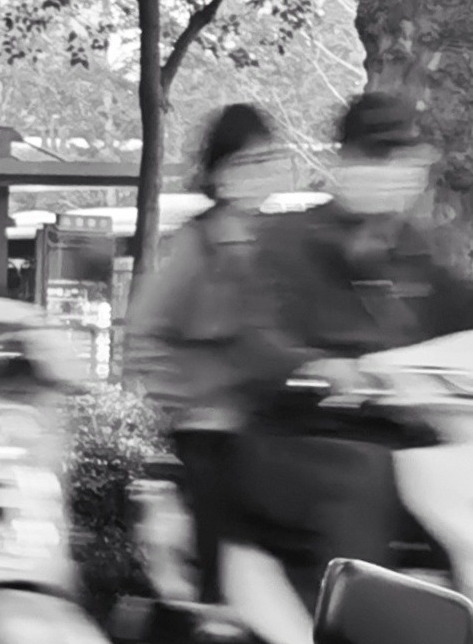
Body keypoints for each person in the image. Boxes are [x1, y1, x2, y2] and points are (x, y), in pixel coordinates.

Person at [241, 91, 473, 604]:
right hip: (296, 438)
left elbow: (463, 318)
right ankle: (355, 641)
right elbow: (256, 344)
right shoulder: (285, 241)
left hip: (402, 437)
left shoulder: (420, 257)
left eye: (402, 159)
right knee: (367, 475)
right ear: (344, 161)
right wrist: (320, 368)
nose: (390, 172)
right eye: (375, 157)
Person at [126, 103, 283, 601]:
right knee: (225, 528)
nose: (258, 175)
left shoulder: (279, 241)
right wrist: (188, 404)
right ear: (218, 173)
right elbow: (144, 332)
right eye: (245, 163)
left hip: (270, 418)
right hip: (209, 426)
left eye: (267, 161)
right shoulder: (195, 245)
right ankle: (216, 614)